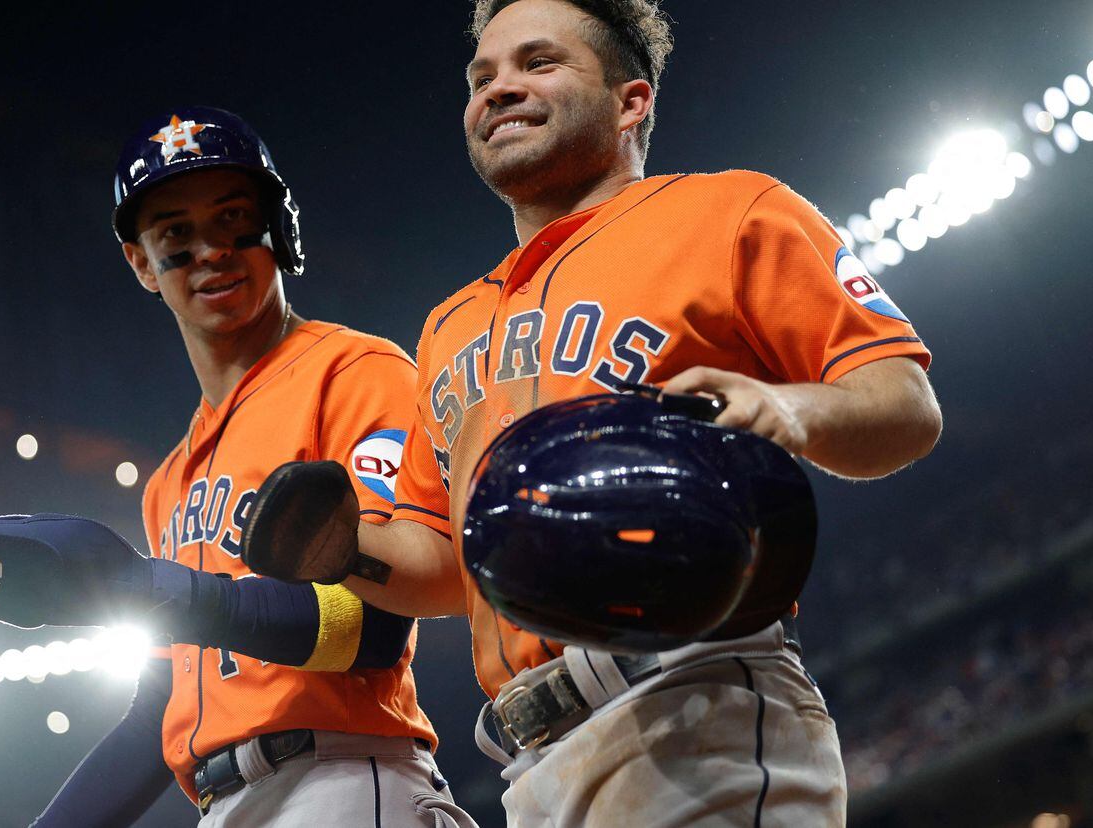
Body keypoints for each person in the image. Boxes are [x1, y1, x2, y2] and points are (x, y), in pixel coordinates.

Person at [249, 2, 943, 825]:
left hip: (689, 700)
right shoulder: (447, 326)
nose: (499, 89)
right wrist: (344, 549)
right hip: (529, 761)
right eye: (482, 77)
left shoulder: (731, 211)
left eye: (539, 64)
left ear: (631, 101)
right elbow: (450, 569)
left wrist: (782, 407)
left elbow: (904, 406)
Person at [0, 107, 475, 828]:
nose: (211, 251)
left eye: (233, 218)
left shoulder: (353, 371)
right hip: (227, 801)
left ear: (279, 228)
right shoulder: (170, 481)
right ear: (140, 262)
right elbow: (156, 712)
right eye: (175, 234)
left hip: (345, 776)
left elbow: (373, 628)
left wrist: (145, 584)